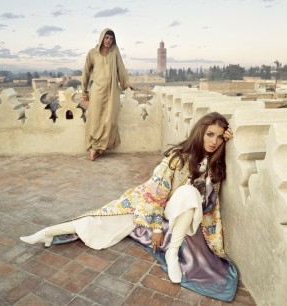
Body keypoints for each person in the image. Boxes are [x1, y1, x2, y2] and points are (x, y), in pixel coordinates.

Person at [20, 112, 238, 302]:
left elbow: (207, 200)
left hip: (183, 211)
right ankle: (47, 233)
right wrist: (156, 228)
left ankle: (173, 254)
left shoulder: (214, 164)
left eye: (219, 137)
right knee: (104, 220)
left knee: (189, 193)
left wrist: (229, 140)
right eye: (210, 134)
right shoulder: (178, 157)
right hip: (149, 205)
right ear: (200, 131)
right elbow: (155, 193)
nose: (214, 141)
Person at [81, 28, 134, 161]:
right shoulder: (92, 53)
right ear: (101, 38)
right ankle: (93, 148)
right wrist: (84, 91)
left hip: (112, 92)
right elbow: (86, 72)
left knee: (109, 120)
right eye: (106, 38)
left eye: (111, 38)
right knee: (96, 118)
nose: (108, 41)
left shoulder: (115, 52)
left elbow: (120, 68)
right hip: (97, 92)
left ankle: (101, 148)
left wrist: (127, 83)